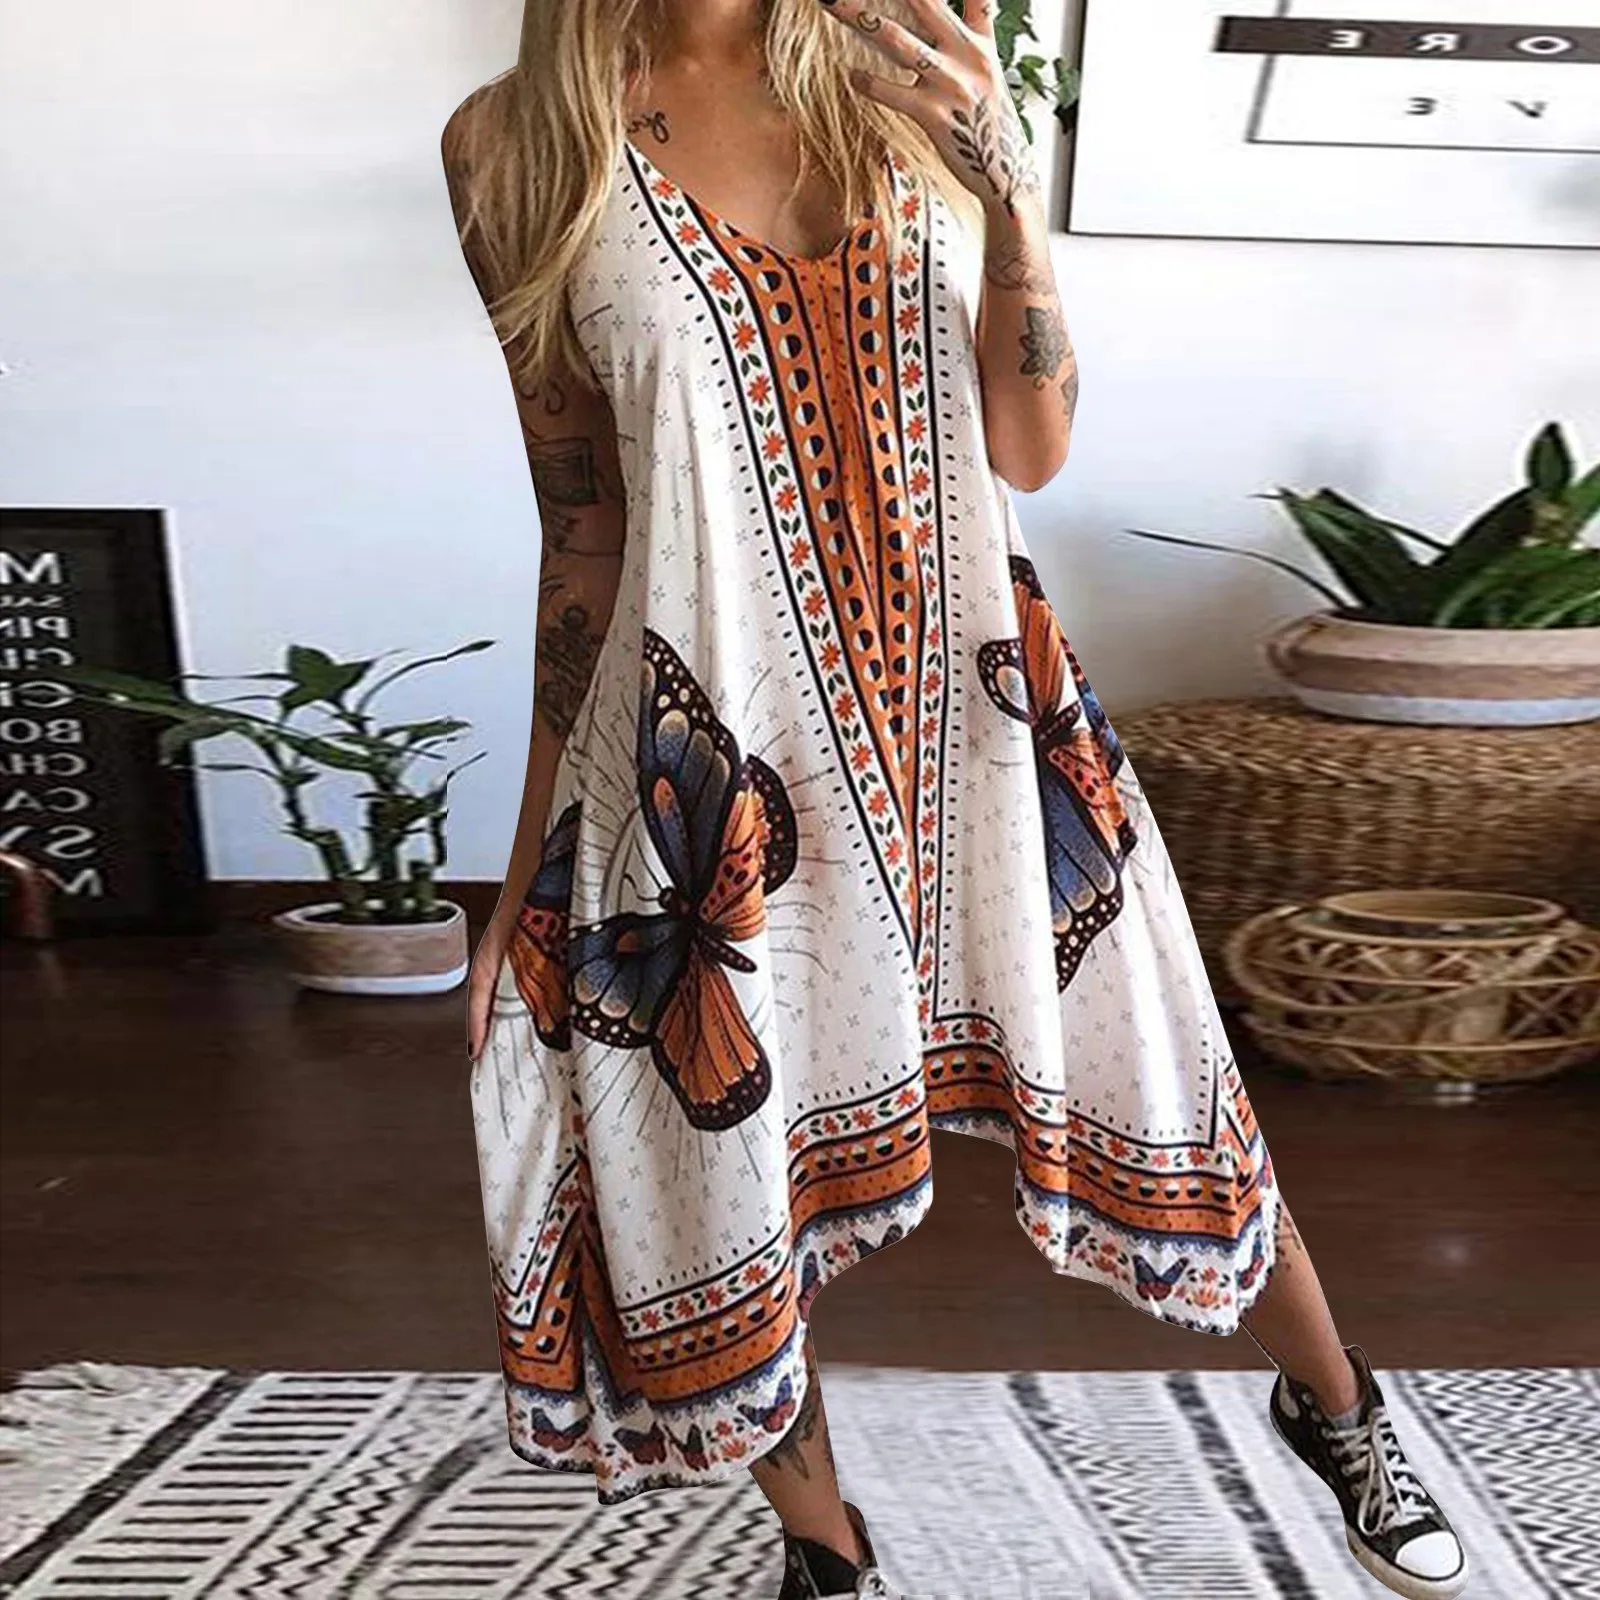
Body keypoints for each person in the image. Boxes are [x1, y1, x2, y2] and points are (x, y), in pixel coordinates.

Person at [442, 4, 1468, 1596]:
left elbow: (1030, 448)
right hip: (710, 751)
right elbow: (581, 533)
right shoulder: (516, 143)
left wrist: (1006, 188)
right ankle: (826, 1545)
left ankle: (1336, 1403)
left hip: (984, 717)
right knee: (719, 1151)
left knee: (1159, 1066)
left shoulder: (914, 73)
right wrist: (526, 875)